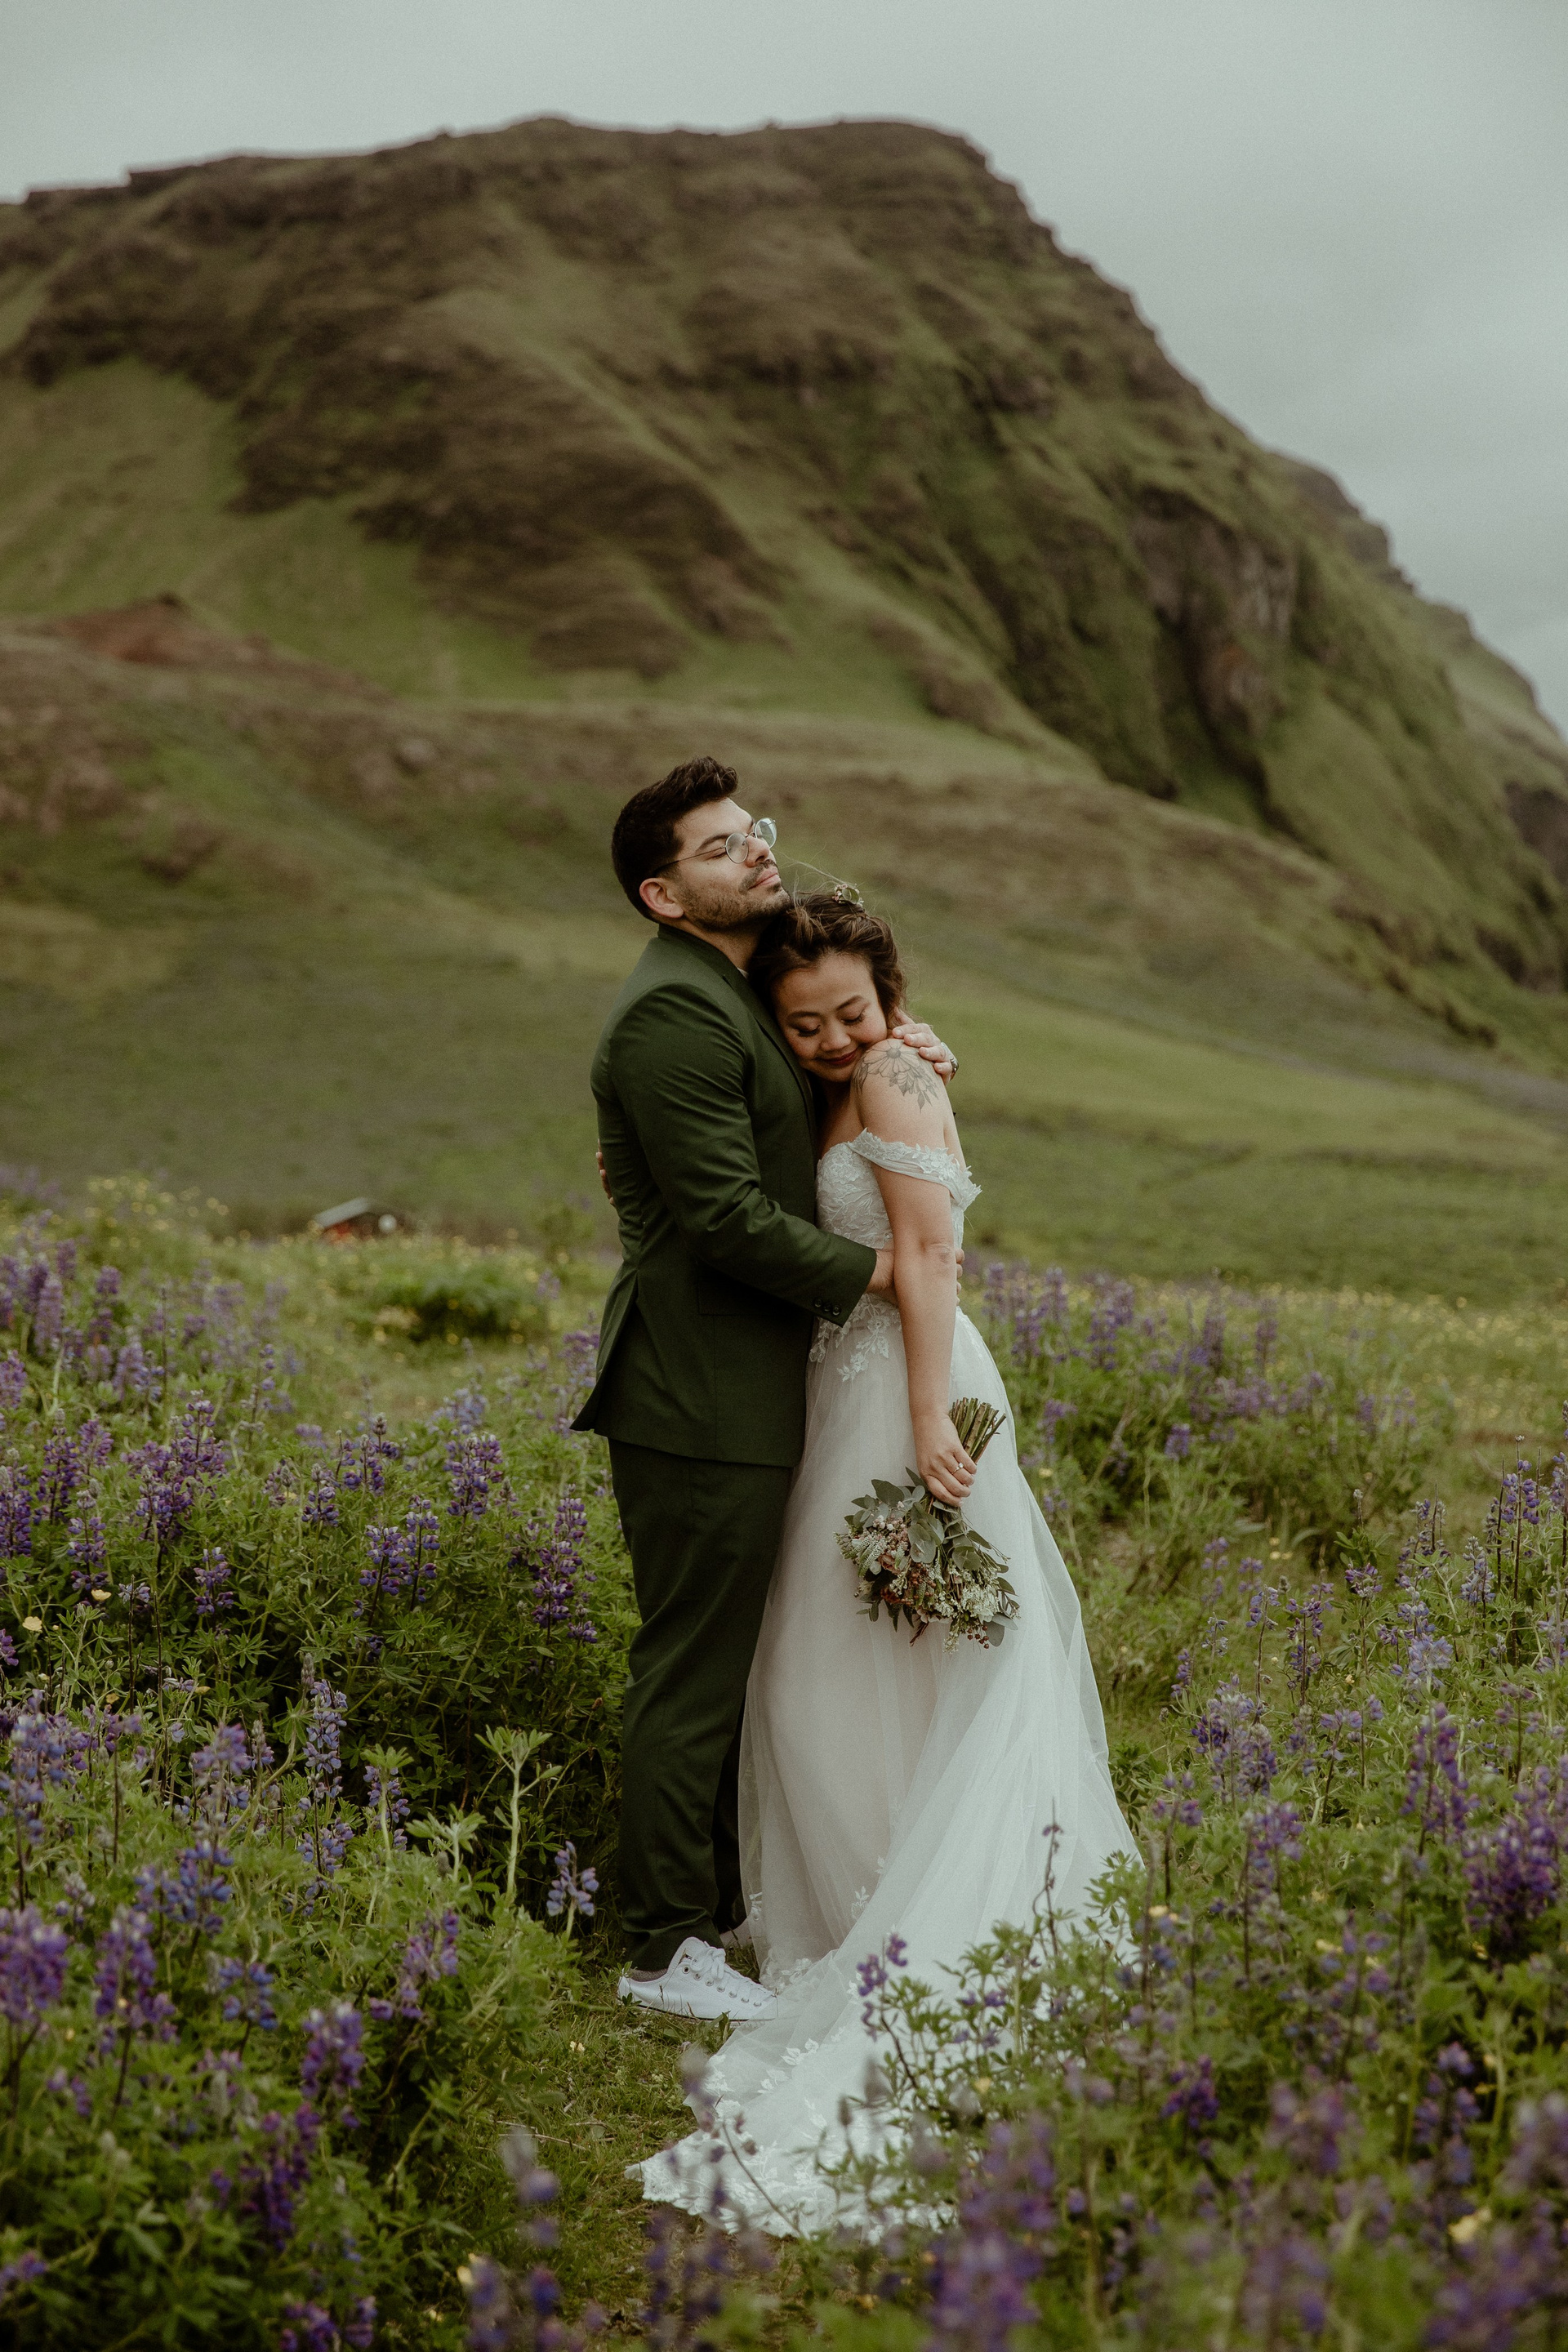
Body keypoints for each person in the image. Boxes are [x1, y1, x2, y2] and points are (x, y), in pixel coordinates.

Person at [635, 894, 1135, 2232]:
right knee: (822, 1670)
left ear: (891, 996)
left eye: (853, 1012)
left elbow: (928, 1254)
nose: (833, 1039)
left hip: (909, 1390)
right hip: (842, 1390)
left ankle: (916, 1928)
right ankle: (858, 1917)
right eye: (805, 1023)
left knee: (907, 1657)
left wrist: (925, 1422)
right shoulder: (842, 1077)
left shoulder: (900, 1075)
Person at [573, 760, 956, 2025]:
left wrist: (905, 1044)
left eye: (757, 833)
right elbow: (728, 1219)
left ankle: (719, 1906)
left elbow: (795, 1111)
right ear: (662, 892)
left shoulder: (725, 992)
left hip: (751, 1383)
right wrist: (889, 1279)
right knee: (693, 1667)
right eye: (722, 846)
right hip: (697, 1390)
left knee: (738, 1663)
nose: (757, 853)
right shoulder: (670, 1016)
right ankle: (659, 1950)